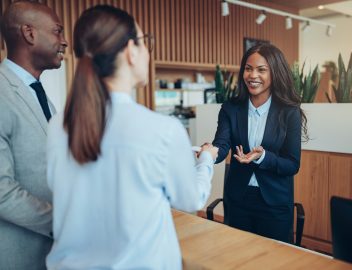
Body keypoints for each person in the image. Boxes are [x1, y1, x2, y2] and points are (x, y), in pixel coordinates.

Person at [46, 5, 218, 270]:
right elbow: (191, 200)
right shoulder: (162, 129)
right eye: (144, 41)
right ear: (130, 51)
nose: (147, 51)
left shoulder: (58, 125)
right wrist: (206, 158)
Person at [211, 43, 308, 243]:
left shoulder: (289, 112)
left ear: (275, 73)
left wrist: (262, 157)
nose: (252, 75)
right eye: (248, 68)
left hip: (275, 204)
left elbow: (292, 164)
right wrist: (207, 153)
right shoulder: (231, 108)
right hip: (238, 199)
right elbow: (221, 146)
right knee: (238, 257)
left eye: (261, 70)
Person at [0, 2, 68, 269]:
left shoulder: (40, 96)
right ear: (29, 33)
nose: (64, 42)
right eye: (57, 31)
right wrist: (67, 222)